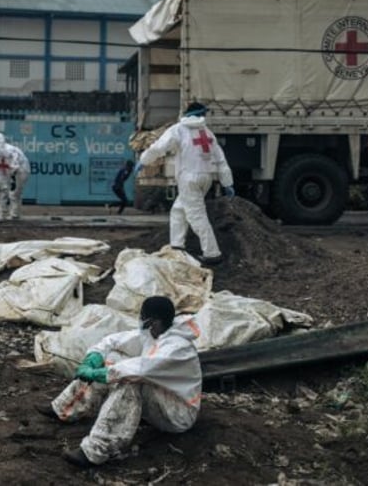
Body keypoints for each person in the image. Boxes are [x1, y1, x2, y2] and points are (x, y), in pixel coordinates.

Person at [37, 296, 201, 468]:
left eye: (143, 316)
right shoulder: (156, 334)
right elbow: (114, 341)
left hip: (178, 413)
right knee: (112, 357)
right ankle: (64, 408)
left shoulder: (176, 348)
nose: (140, 320)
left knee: (130, 381)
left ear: (154, 322)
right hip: (161, 397)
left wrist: (99, 373)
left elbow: (140, 369)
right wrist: (95, 356)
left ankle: (95, 451)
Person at [137, 102, 234, 265]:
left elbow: (158, 148)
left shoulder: (178, 130)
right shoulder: (207, 132)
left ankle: (212, 253)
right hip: (206, 177)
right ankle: (177, 245)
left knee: (197, 216)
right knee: (179, 210)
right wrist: (227, 182)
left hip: (189, 178)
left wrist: (143, 160)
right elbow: (220, 159)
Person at [7, 142, 30, 220]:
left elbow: (15, 166)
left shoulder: (9, 151)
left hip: (20, 171)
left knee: (13, 194)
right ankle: (16, 213)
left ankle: (14, 214)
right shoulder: (14, 149)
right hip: (24, 170)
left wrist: (12, 177)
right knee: (18, 193)